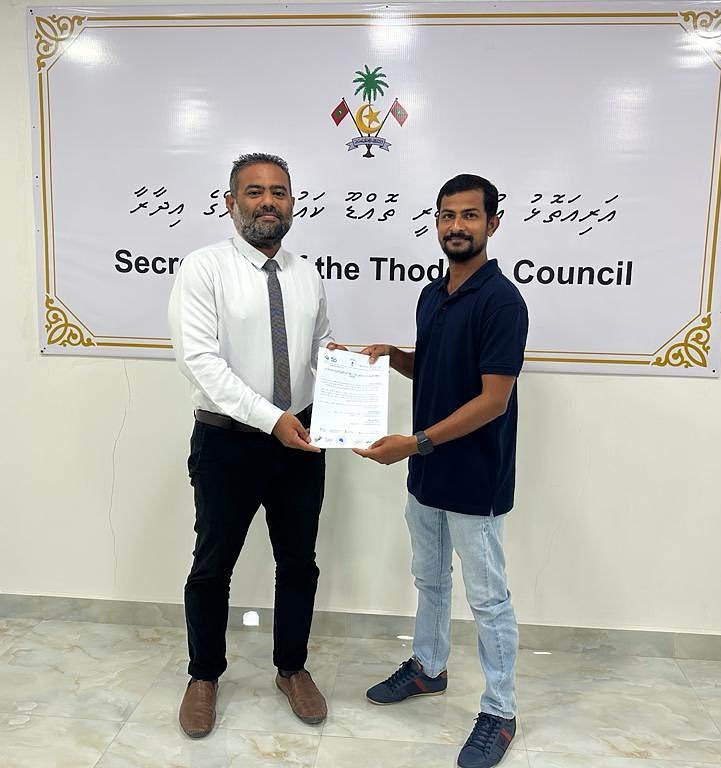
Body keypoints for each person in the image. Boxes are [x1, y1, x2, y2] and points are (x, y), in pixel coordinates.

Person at [352, 174, 528, 768]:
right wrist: (392, 357)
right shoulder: (432, 294)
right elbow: (432, 368)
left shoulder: (503, 302)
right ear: (436, 222)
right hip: (427, 473)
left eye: (470, 215)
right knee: (429, 579)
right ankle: (429, 667)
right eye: (448, 215)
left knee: (489, 599)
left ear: (492, 223)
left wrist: (416, 442)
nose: (457, 226)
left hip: (475, 476)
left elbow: (493, 401)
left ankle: (500, 712)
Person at [168, 153, 333, 738]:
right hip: (227, 443)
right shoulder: (204, 267)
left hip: (300, 440)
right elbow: (200, 361)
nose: (268, 201)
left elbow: (320, 347)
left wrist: (348, 380)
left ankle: (292, 668)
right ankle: (203, 675)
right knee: (212, 565)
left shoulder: (307, 273)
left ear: (292, 202)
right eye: (255, 191)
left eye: (279, 192)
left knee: (299, 562)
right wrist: (270, 419)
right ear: (231, 202)